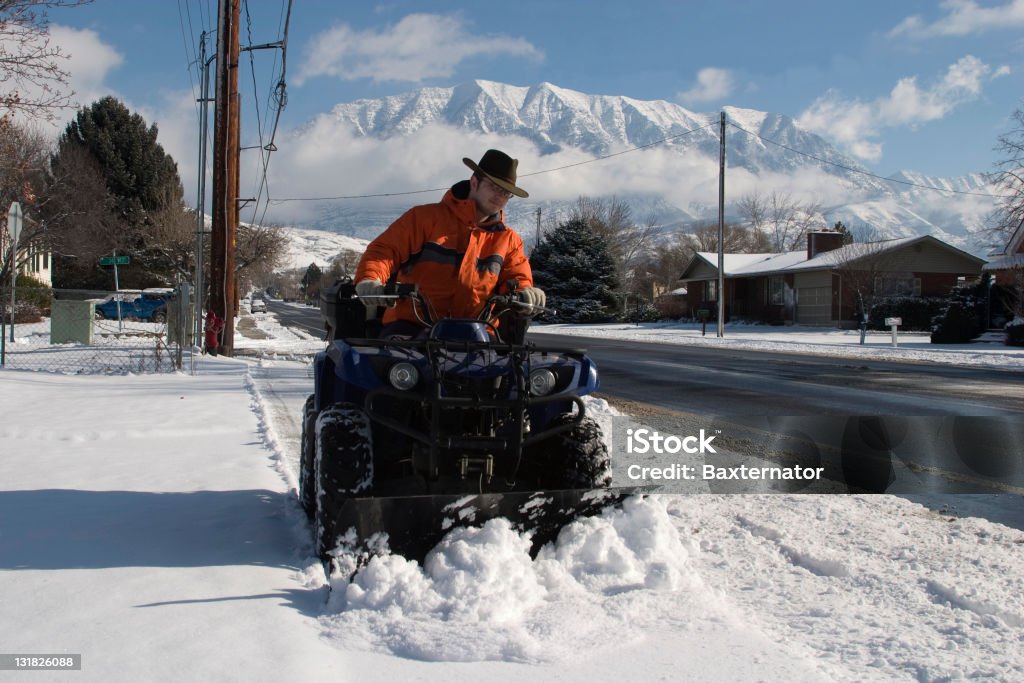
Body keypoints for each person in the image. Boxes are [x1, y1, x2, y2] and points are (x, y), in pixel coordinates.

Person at [354, 149, 545, 337]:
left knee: (505, 366)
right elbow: (384, 251)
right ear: (474, 182)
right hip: (411, 329)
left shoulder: (508, 240)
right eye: (494, 187)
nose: (499, 196)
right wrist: (370, 279)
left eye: (506, 192)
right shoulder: (424, 219)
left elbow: (517, 279)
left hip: (476, 334)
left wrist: (526, 294)